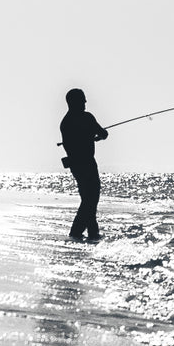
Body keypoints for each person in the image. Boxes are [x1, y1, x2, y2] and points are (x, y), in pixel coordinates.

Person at [59, 89, 108, 240]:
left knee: (88, 199)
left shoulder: (65, 123)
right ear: (75, 101)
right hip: (87, 164)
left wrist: (90, 136)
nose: (86, 102)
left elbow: (70, 145)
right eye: (83, 100)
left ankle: (93, 233)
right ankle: (76, 232)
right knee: (91, 200)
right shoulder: (87, 118)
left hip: (76, 167)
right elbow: (104, 134)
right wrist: (96, 137)